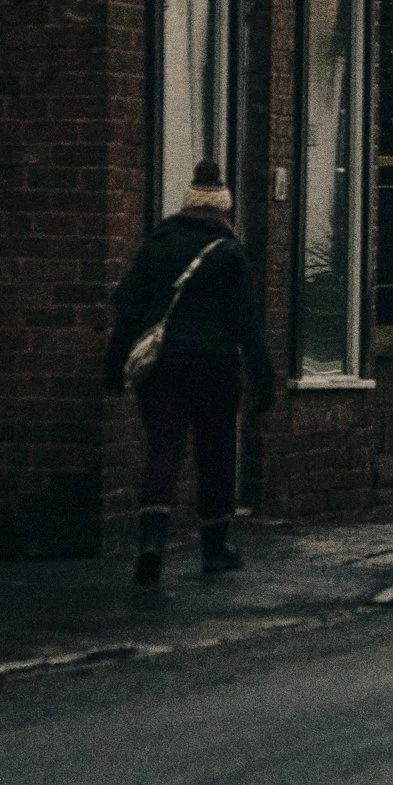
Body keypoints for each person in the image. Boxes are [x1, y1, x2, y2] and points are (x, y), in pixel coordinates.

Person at [104, 159, 276, 584]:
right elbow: (247, 324)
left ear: (187, 205)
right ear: (222, 209)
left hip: (163, 366)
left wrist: (114, 364)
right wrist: (262, 378)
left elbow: (128, 310)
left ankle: (151, 545)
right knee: (216, 454)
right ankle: (215, 549)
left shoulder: (157, 244)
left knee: (163, 451)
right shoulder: (232, 255)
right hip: (216, 367)